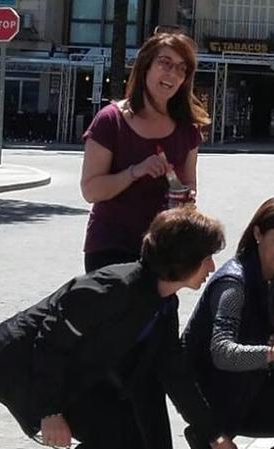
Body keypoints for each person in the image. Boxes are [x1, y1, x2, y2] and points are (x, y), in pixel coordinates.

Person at [0, 207, 238, 449]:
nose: (211, 268)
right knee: (106, 435)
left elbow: (175, 375)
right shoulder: (112, 289)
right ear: (183, 259)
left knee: (121, 422)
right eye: (206, 259)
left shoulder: (163, 304)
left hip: (58, 364)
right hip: (11, 363)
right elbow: (51, 343)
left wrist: (214, 436)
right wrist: (49, 411)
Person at [181, 197, 274, 449]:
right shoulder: (233, 284)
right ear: (258, 234)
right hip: (218, 388)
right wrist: (271, 352)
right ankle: (210, 433)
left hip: (253, 378)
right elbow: (223, 352)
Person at [80, 31, 208, 273]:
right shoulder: (110, 120)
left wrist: (183, 195)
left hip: (164, 250)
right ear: (146, 66)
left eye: (182, 69)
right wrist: (135, 171)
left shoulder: (187, 128)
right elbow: (90, 190)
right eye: (165, 63)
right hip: (111, 247)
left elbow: (189, 185)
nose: (173, 74)